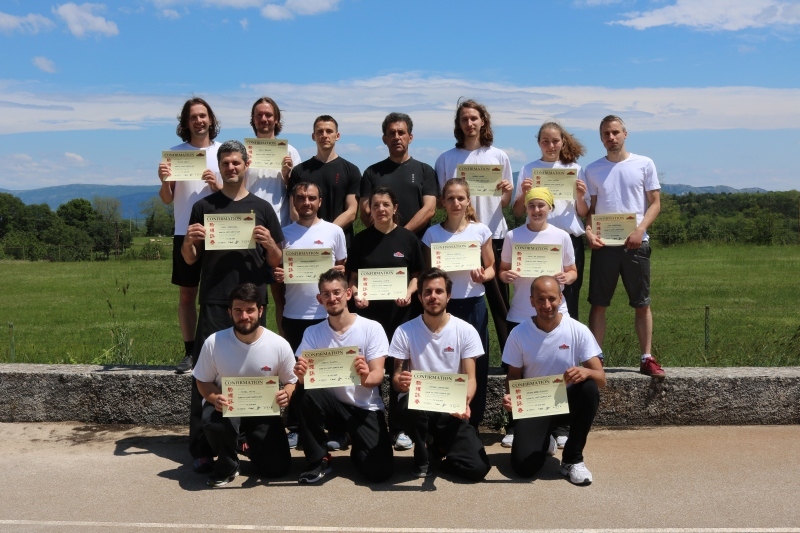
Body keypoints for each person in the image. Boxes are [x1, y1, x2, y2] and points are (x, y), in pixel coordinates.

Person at [182, 140, 284, 473]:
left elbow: (277, 260)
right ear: (220, 167)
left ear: (246, 165)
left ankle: (248, 439)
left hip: (252, 304)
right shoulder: (203, 206)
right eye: (225, 163)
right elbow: (190, 259)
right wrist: (188, 242)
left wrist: (269, 243)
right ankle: (202, 447)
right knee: (205, 373)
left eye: (236, 162)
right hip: (215, 298)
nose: (231, 168)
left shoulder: (262, 208)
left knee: (253, 371)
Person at [291, 269, 394, 484]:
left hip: (364, 408)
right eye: (326, 294)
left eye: (337, 292)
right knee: (304, 394)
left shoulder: (371, 328)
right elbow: (305, 380)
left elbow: (377, 375)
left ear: (348, 294)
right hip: (331, 406)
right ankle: (318, 459)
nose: (332, 298)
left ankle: (356, 445)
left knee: (379, 472)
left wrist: (365, 376)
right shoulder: (312, 333)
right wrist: (301, 375)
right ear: (319, 299)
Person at [389, 268, 491, 481]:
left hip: (451, 407)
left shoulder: (465, 331)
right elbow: (397, 378)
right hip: (418, 406)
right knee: (409, 404)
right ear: (420, 297)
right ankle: (423, 456)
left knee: (477, 468)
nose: (433, 296)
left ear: (449, 295)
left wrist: (465, 401)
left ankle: (438, 449)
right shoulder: (404, 331)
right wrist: (402, 383)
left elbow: (471, 378)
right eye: (427, 292)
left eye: (439, 291)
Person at [502, 276, 605, 485]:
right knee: (524, 468)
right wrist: (511, 397)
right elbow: (513, 375)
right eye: (540, 299)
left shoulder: (577, 329)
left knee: (589, 388)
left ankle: (572, 460)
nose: (546, 305)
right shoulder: (518, 333)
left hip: (566, 402)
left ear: (561, 298)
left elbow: (601, 378)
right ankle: (545, 438)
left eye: (551, 299)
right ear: (531, 301)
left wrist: (586, 372)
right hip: (535, 405)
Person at [193, 283, 297, 487]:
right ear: (229, 312)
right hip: (226, 408)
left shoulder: (278, 344)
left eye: (250, 310)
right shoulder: (214, 342)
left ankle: (249, 445)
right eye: (238, 310)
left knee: (276, 469)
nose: (244, 316)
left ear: (260, 311)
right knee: (215, 423)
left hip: (262, 410)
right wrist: (214, 398)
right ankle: (227, 464)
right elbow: (202, 381)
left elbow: (292, 381)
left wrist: (287, 393)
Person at [584, 115, 664, 377]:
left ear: (625, 134)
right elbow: (591, 209)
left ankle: (646, 357)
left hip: (635, 244)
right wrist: (588, 232)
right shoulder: (592, 169)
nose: (611, 137)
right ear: (601, 138)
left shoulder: (644, 164)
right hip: (604, 245)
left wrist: (640, 230)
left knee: (642, 303)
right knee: (598, 304)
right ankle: (596, 358)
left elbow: (655, 203)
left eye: (615, 132)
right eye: (606, 134)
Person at [498, 187, 577, 448]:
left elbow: (572, 270)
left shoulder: (562, 236)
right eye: (532, 205)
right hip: (521, 313)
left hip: (556, 313)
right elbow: (502, 270)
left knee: (559, 369)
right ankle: (515, 425)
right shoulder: (513, 235)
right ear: (526, 209)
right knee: (517, 372)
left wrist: (567, 277)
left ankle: (560, 427)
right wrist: (506, 275)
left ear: (550, 208)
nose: (536, 210)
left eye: (542, 205)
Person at [348, 186, 424, 451]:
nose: (381, 209)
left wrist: (409, 292)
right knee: (371, 371)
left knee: (399, 371)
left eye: (386, 204)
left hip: (400, 317)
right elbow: (352, 278)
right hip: (369, 320)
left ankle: (400, 428)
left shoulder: (408, 239)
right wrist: (356, 294)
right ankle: (372, 423)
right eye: (376, 205)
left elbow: (417, 276)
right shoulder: (361, 240)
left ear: (395, 208)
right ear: (369, 210)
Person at [435, 98, 514, 353]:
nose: (469, 123)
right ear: (458, 124)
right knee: (457, 299)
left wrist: (507, 190)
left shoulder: (499, 156)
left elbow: (504, 202)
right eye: (464, 119)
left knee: (500, 304)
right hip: (457, 239)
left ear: (483, 122)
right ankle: (452, 355)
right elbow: (443, 201)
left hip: (494, 235)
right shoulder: (446, 159)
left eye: (474, 118)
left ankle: (510, 359)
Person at [421, 177, 494, 429]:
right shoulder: (432, 233)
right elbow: (428, 273)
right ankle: (444, 417)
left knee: (475, 362)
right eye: (450, 198)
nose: (456, 203)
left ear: (468, 201)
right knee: (446, 362)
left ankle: (473, 420)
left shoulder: (480, 230)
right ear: (442, 202)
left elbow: (491, 267)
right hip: (444, 307)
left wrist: (484, 275)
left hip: (474, 303)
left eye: (460, 198)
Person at [157, 97, 222, 374]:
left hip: (220, 231)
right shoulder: (175, 154)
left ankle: (219, 351)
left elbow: (233, 193)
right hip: (184, 231)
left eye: (203, 116)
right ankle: (190, 351)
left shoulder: (223, 151)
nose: (198, 121)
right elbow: (166, 199)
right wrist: (165, 181)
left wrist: (216, 184)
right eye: (193, 117)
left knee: (217, 295)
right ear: (186, 122)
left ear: (211, 120)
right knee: (187, 295)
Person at [513, 122, 589, 320]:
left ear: (563, 142)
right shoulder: (528, 169)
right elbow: (518, 212)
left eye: (555, 141)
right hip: (536, 241)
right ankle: (533, 336)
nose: (551, 146)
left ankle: (567, 337)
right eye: (545, 141)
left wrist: (580, 196)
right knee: (537, 296)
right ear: (539, 143)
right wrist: (524, 194)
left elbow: (583, 212)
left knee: (569, 295)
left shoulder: (574, 169)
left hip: (568, 240)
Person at [360, 113, 438, 239]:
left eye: (401, 133)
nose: (396, 137)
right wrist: (386, 235)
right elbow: (365, 211)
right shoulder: (371, 172)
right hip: (380, 243)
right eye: (392, 133)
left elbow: (429, 209)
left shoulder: (425, 171)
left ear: (410, 137)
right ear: (384, 139)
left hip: (417, 243)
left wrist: (401, 235)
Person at [288, 115, 361, 246]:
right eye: (320, 131)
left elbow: (351, 212)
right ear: (313, 136)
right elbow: (293, 210)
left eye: (329, 131)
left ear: (337, 136)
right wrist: (312, 233)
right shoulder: (299, 171)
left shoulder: (351, 170)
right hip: (305, 241)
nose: (324, 135)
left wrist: (326, 233)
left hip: (340, 241)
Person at [245, 96, 302, 227]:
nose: (263, 119)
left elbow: (299, 192)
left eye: (268, 115)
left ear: (276, 119)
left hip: (280, 224)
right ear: (253, 119)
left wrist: (286, 176)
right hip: (248, 222)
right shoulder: (243, 152)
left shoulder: (290, 152)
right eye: (259, 115)